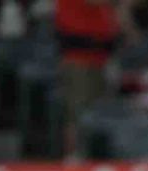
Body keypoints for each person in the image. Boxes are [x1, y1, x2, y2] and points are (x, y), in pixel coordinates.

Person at [56, 0, 140, 158]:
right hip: (78, 59)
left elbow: (116, 18)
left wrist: (127, 26)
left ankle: (94, 157)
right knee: (78, 112)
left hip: (102, 58)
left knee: (101, 113)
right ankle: (73, 158)